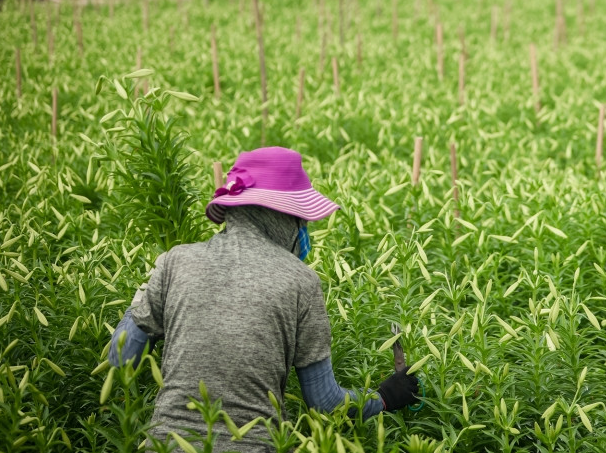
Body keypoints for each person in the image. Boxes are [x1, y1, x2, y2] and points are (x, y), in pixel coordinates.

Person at [108, 146, 419, 452]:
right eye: (302, 220)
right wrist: (384, 397)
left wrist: (144, 299)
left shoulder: (175, 262)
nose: (304, 230)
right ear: (282, 217)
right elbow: (325, 404)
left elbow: (121, 360)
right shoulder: (301, 282)